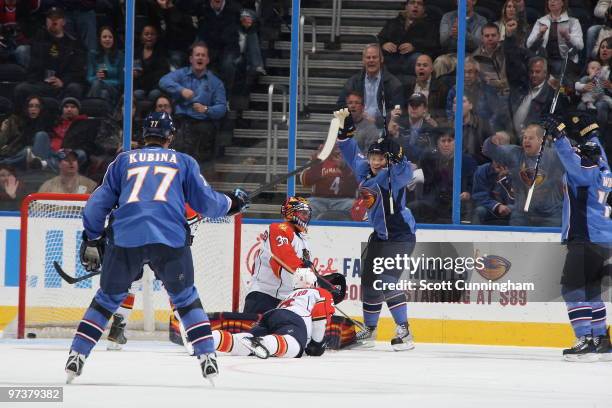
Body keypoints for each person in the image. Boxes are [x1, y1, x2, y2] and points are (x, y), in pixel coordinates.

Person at [64, 111, 250, 384]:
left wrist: (92, 238)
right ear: (170, 136)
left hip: (126, 239)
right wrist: (232, 202)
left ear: (143, 136)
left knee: (106, 299)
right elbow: (207, 203)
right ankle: (207, 357)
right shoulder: (183, 161)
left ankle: (76, 356)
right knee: (186, 298)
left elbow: (96, 205)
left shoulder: (123, 161)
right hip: (170, 238)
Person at [335, 108, 416, 351]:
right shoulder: (365, 170)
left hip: (400, 237)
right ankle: (370, 331)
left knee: (386, 281)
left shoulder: (392, 176)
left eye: (382, 159)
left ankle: (405, 330)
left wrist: (399, 154)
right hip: (380, 237)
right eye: (374, 158)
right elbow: (351, 154)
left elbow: (406, 170)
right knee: (369, 283)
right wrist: (345, 133)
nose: (377, 162)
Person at [540, 112, 612, 361]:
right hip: (603, 239)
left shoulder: (584, 172)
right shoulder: (604, 168)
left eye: (581, 152)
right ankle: (601, 339)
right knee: (591, 290)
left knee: (572, 288)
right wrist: (590, 133)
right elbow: (593, 151)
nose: (578, 153)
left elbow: (570, 158)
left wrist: (559, 135)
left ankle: (584, 340)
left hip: (586, 237)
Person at [214, 269, 346, 359]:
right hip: (294, 319)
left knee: (242, 341)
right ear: (314, 282)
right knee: (295, 346)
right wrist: (317, 344)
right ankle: (263, 342)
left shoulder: (289, 295)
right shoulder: (319, 292)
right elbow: (319, 315)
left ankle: (211, 340)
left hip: (271, 314)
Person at [482, 123, 564, 226]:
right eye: (525, 137)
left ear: (541, 140)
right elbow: (488, 150)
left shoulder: (554, 156)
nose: (526, 140)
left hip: (550, 216)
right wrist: (491, 141)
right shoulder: (515, 154)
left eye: (531, 138)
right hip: (522, 216)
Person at [159, 41, 227, 162]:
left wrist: (206, 109)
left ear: (207, 60)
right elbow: (163, 81)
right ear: (191, 59)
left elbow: (222, 108)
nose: (200, 57)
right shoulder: (182, 74)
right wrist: (181, 90)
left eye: (203, 55)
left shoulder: (216, 82)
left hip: (202, 123)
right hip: (181, 121)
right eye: (197, 55)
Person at [244, 196, 314, 314]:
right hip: (263, 296)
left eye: (307, 213)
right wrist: (311, 282)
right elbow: (284, 263)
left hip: (286, 301)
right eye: (303, 213)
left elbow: (305, 269)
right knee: (254, 332)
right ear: (291, 213)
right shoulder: (279, 229)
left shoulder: (304, 241)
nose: (306, 217)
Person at [337, 44, 404, 130]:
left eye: (374, 57)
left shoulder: (394, 84)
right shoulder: (353, 82)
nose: (371, 60)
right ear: (363, 61)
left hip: (383, 128)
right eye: (368, 57)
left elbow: (398, 111)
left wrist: (377, 121)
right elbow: (340, 106)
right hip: (357, 126)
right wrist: (358, 115)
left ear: (381, 59)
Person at [376, 0, 439, 77]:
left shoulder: (430, 25)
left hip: (413, 60)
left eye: (419, 4)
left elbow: (433, 45)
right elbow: (380, 39)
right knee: (375, 60)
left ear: (423, 9)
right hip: (393, 59)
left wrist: (414, 47)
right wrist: (384, 44)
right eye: (412, 3)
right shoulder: (394, 22)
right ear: (406, 7)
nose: (415, 6)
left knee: (418, 59)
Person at [300, 146, 358, 220]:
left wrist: (344, 167)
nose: (336, 149)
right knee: (303, 206)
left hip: (344, 201)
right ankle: (311, 230)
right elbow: (305, 181)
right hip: (318, 200)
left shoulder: (352, 161)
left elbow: (357, 183)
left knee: (356, 206)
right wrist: (316, 164)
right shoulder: (317, 160)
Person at [86, 26, 124, 107]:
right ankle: (101, 115)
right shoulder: (93, 54)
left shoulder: (120, 55)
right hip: (97, 88)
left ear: (114, 39)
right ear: (99, 39)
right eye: (104, 37)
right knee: (103, 93)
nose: (107, 39)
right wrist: (96, 76)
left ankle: (90, 110)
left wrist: (103, 83)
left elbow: (121, 81)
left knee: (98, 84)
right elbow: (89, 77)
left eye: (110, 37)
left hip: (114, 89)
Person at [472, 160, 514, 225]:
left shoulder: (516, 170)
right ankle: (473, 234)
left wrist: (506, 177)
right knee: (479, 211)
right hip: (489, 207)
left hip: (510, 207)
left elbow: (521, 199)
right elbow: (479, 195)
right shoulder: (482, 170)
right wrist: (497, 206)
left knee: (519, 213)